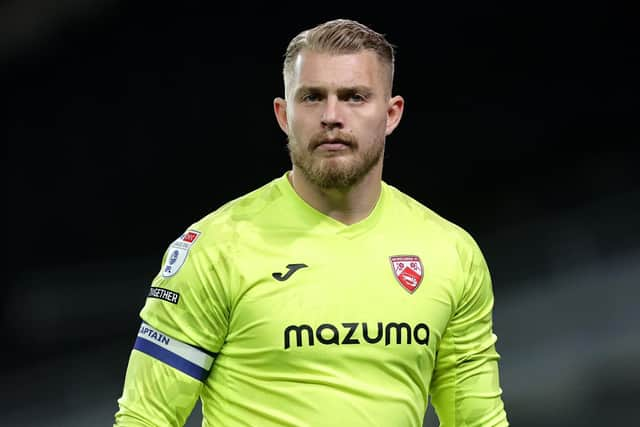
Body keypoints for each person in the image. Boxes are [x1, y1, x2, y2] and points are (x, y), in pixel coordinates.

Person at [113, 18, 509, 427]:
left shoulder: (450, 253)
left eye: (354, 97)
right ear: (284, 115)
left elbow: (478, 421)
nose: (332, 116)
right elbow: (146, 417)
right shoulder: (216, 249)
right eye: (313, 98)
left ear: (391, 114)